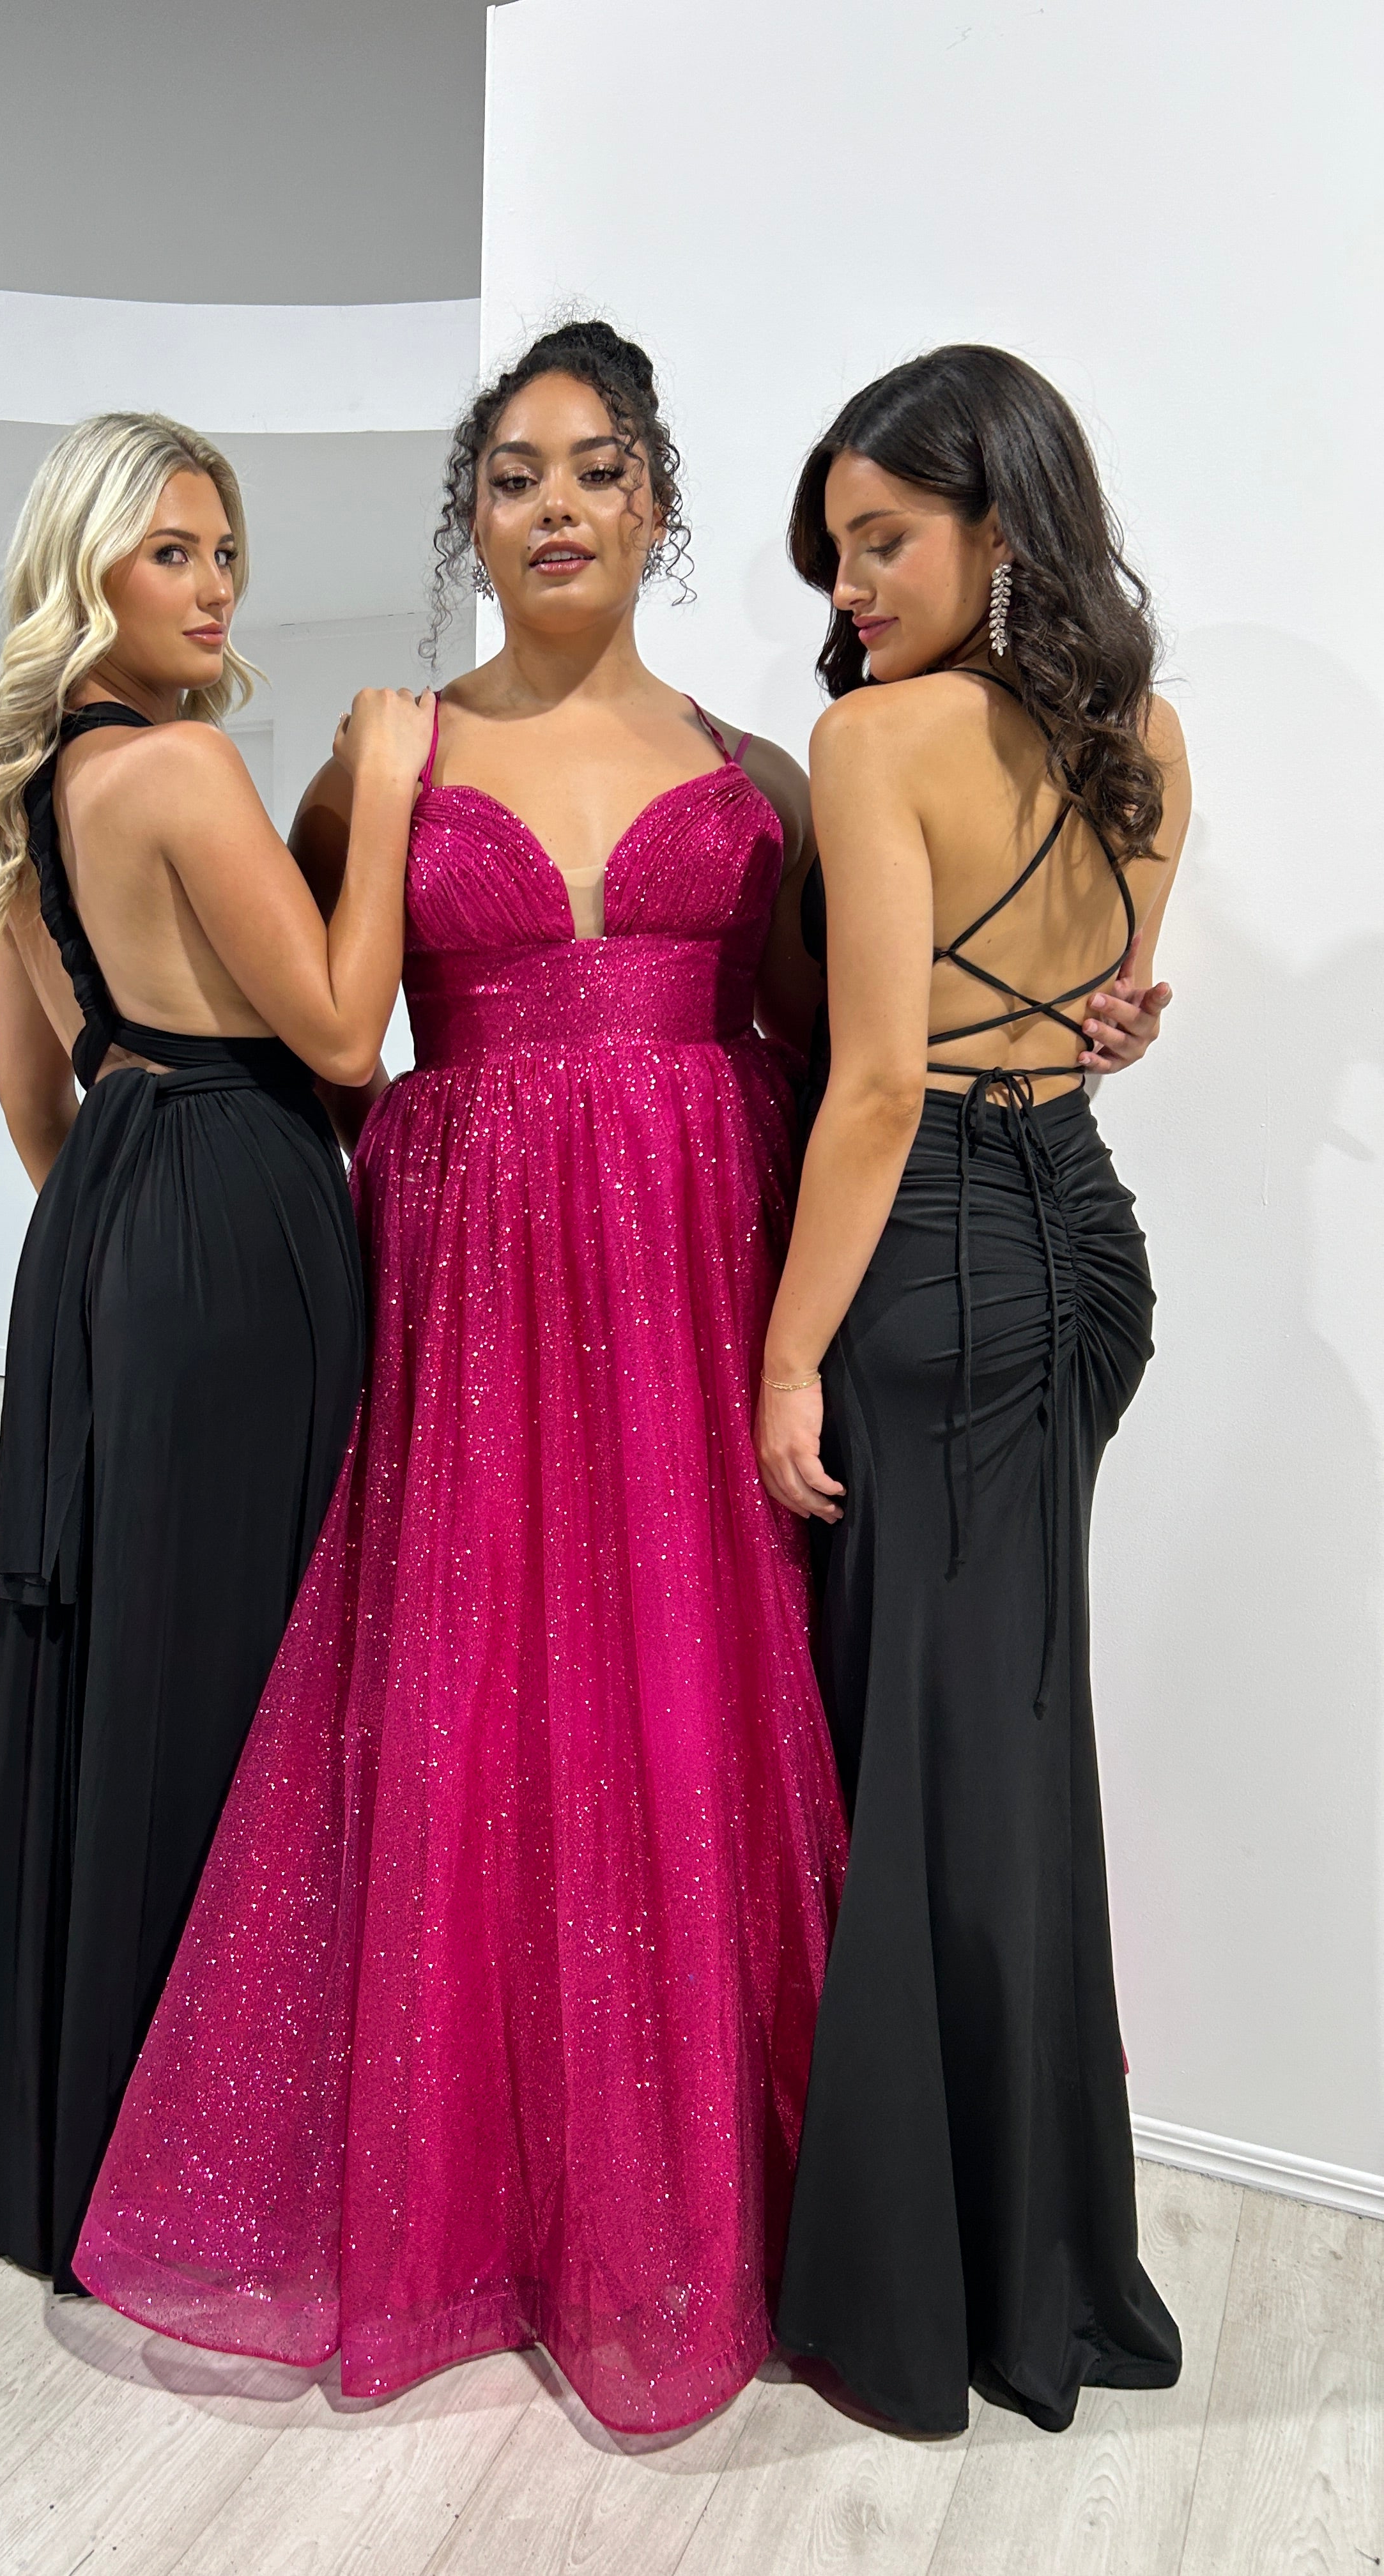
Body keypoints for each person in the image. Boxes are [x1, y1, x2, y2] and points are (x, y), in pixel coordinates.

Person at [73, 325, 850, 2435]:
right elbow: (306, 1041)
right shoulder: (377, 762)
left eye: (602, 470)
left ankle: (691, 2203)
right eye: (516, 476)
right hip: (475, 1305)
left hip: (694, 1289)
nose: (563, 506)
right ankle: (472, 2203)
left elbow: (824, 1045)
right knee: (471, 1706)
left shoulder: (754, 773)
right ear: (473, 520)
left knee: (683, 1700)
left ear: (664, 506)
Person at [0, 410, 431, 2292]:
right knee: (249, 1672)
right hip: (239, 1215)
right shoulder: (184, 768)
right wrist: (379, 792)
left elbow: (25, 1099)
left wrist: (119, 1251)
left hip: (115, 1227)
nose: (214, 586)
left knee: (124, 1658)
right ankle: (214, 2164)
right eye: (171, 553)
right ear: (88, 571)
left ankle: (85, 2149)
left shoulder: (18, 807)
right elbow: (337, 1029)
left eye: (225, 551)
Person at [758, 346, 1190, 2434]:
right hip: (1082, 1263)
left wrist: (776, 1356)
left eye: (884, 540)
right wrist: (1102, 1030)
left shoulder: (877, 743)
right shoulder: (1153, 747)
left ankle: (936, 2291)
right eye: (839, 554)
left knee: (921, 1768)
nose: (849, 587)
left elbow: (870, 1084)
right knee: (1011, 1746)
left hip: (922, 1270)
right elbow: (1104, 1021)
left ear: (999, 528)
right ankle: (1055, 2261)